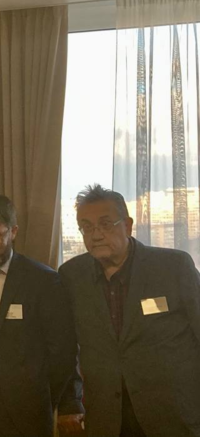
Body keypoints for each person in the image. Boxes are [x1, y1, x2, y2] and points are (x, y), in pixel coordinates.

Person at [59, 184, 200, 436]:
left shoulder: (173, 266)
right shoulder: (72, 276)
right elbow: (65, 346)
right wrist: (70, 400)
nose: (96, 235)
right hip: (108, 417)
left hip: (173, 412)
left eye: (105, 224)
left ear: (128, 225)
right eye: (86, 227)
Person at [0, 194, 84, 436]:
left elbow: (61, 350)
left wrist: (39, 394)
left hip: (24, 409)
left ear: (13, 232)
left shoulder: (42, 280)